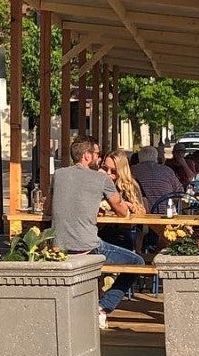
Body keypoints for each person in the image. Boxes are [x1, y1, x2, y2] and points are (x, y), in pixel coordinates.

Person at [46, 137, 138, 329]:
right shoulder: (101, 178)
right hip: (88, 246)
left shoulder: (59, 174)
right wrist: (126, 206)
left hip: (57, 246)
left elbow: (47, 208)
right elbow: (121, 211)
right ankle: (102, 307)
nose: (99, 158)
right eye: (97, 154)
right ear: (87, 155)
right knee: (137, 263)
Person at [132, 143, 185, 215]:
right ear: (156, 157)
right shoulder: (167, 170)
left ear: (139, 158)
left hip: (140, 214)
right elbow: (180, 191)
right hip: (166, 213)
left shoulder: (131, 171)